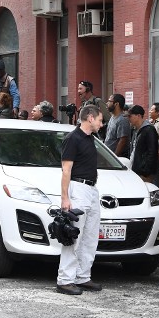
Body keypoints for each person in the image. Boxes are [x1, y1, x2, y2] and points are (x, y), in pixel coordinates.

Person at [57, 104, 104, 295]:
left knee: (90, 236)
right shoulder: (72, 138)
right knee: (74, 236)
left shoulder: (90, 138)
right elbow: (66, 170)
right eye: (100, 120)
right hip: (78, 189)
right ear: (90, 118)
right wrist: (65, 198)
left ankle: (82, 276)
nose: (101, 124)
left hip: (91, 190)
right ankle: (65, 280)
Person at [128, 105, 159, 183]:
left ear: (138, 116)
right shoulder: (134, 130)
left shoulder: (149, 130)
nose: (128, 119)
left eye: (130, 116)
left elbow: (152, 152)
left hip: (143, 173)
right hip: (135, 170)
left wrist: (145, 171)